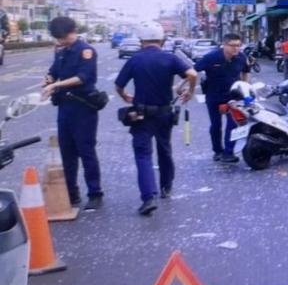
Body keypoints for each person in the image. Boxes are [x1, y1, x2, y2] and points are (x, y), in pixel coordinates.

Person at [115, 23, 197, 216]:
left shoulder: (135, 60)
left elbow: (119, 85)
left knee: (143, 154)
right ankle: (166, 186)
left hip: (141, 115)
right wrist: (189, 92)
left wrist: (125, 95)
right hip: (164, 113)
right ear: (162, 40)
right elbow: (192, 74)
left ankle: (148, 197)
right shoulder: (170, 58)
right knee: (165, 149)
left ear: (141, 41)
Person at [41, 16, 104, 211]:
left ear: (72, 31)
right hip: (65, 108)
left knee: (86, 151)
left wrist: (56, 85)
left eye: (63, 37)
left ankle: (95, 193)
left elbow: (82, 78)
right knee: (67, 152)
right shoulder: (61, 51)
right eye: (58, 38)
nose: (60, 41)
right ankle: (71, 192)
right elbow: (53, 71)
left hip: (83, 107)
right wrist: (49, 79)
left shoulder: (85, 51)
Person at [194, 34, 250, 163]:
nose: (236, 49)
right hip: (213, 96)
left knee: (233, 124)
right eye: (232, 46)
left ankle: (228, 153)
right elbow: (193, 71)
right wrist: (183, 86)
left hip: (233, 97)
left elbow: (246, 71)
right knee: (216, 125)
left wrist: (245, 87)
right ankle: (217, 151)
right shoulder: (211, 57)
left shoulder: (241, 57)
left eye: (238, 45)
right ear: (224, 45)